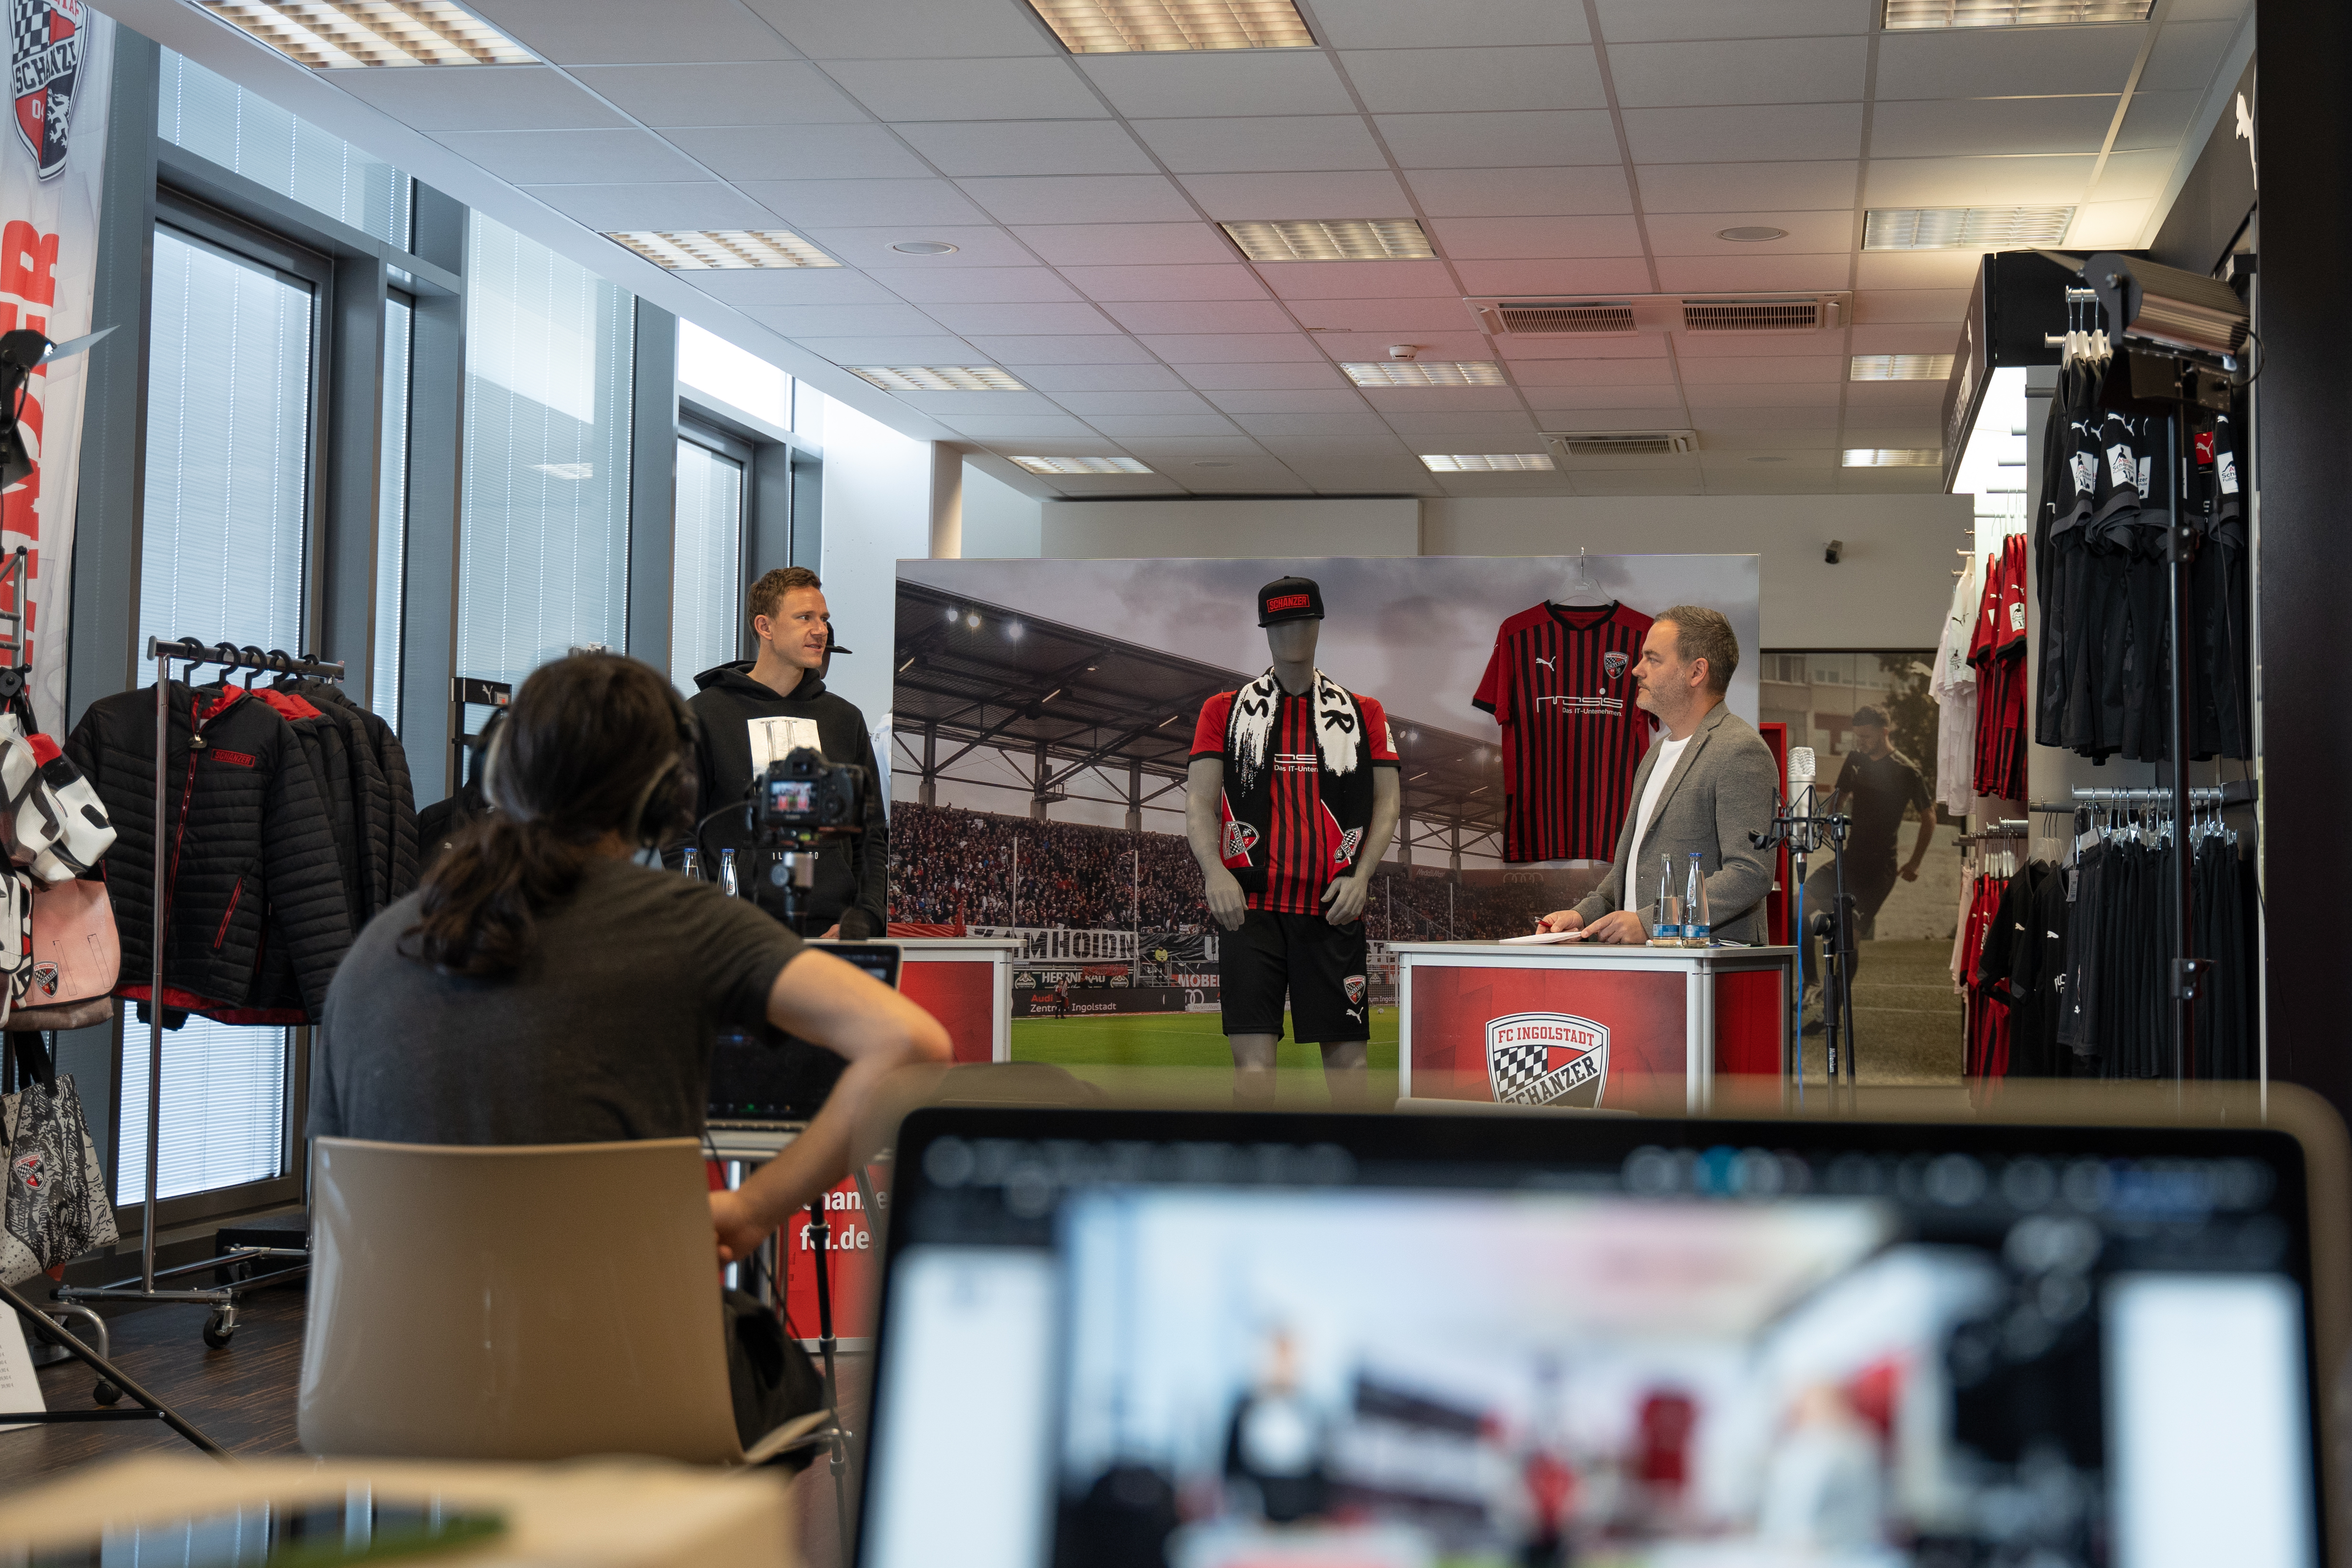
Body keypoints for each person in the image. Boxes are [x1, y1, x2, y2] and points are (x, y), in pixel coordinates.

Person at [311, 653, 952, 1445]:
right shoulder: (684, 920)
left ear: (501, 770)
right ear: (666, 795)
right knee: (788, 1392)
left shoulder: (379, 943)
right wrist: (754, 1209)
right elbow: (913, 1043)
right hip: (635, 1379)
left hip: (390, 1385)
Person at [1186, 577, 1400, 1105]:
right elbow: (1198, 802)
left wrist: (1363, 875)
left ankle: (1353, 1181)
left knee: (1350, 1067)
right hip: (1250, 911)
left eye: (1302, 621)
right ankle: (1257, 1180)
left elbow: (1388, 804)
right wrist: (1215, 872)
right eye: (1280, 624)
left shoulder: (1362, 712)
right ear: (1266, 631)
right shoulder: (1225, 710)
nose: (1292, 634)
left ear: (1319, 624)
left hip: (1332, 909)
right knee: (1253, 1073)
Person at [1536, 607, 1775, 943]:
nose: (1636, 670)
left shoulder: (1739, 751)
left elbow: (1749, 874)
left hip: (1705, 971)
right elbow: (1634, 865)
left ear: (1696, 672)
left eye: (1652, 659)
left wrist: (1650, 922)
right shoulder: (1655, 753)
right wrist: (1583, 914)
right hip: (1653, 968)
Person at [688, 566, 888, 939]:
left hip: (832, 933)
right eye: (804, 618)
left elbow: (872, 834)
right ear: (765, 627)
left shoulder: (845, 719)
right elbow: (679, 834)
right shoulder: (704, 715)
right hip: (735, 937)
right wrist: (705, 920)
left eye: (824, 618)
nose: (821, 630)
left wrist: (865, 917)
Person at [1803, 705, 1935, 1030]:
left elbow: (1929, 816)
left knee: (1849, 939)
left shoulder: (1907, 771)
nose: (1859, 742)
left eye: (1865, 737)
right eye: (1856, 736)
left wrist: (1915, 861)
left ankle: (1830, 1016)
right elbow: (1840, 795)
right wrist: (1826, 821)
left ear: (1884, 732)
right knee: (1798, 907)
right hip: (1849, 859)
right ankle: (1811, 983)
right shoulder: (1856, 760)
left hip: (1879, 870)